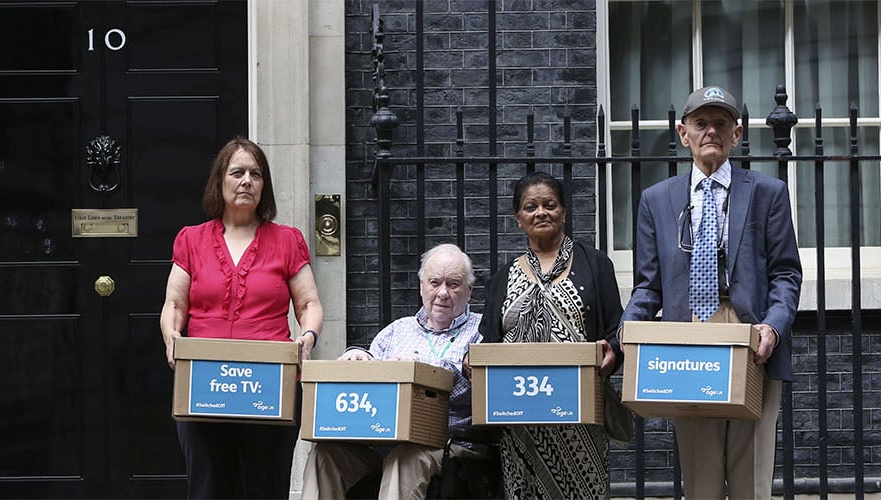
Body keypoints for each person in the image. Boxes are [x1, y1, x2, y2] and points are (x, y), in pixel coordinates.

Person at [623, 85, 801, 499]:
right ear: (683, 133)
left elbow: (786, 274)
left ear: (736, 134)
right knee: (700, 478)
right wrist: (628, 332)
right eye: (701, 123)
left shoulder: (767, 193)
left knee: (751, 475)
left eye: (721, 123)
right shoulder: (656, 200)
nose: (711, 132)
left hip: (750, 336)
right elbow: (648, 285)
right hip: (687, 340)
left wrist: (773, 328)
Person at [159, 137, 323, 499]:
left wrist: (307, 337)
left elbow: (309, 302)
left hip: (270, 384)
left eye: (256, 173)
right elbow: (175, 303)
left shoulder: (288, 240)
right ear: (220, 180)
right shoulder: (191, 240)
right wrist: (172, 337)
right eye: (238, 172)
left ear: (264, 186)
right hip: (204, 382)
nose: (247, 180)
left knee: (266, 485)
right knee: (208, 486)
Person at [478, 171, 623, 498]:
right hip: (520, 416)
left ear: (564, 212)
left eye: (550, 204)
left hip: (579, 415)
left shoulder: (596, 264)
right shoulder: (503, 278)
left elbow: (616, 329)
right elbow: (488, 342)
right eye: (530, 207)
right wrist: (471, 364)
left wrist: (612, 351)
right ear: (518, 219)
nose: (540, 212)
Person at [300, 243, 484, 500]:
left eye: (453, 284)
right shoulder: (398, 330)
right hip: (382, 442)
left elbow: (475, 385)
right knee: (325, 454)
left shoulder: (481, 331)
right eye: (434, 283)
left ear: (469, 290)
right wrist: (360, 357)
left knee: (405, 458)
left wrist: (421, 370)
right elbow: (374, 371)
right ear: (421, 286)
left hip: (446, 444)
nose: (442, 293)